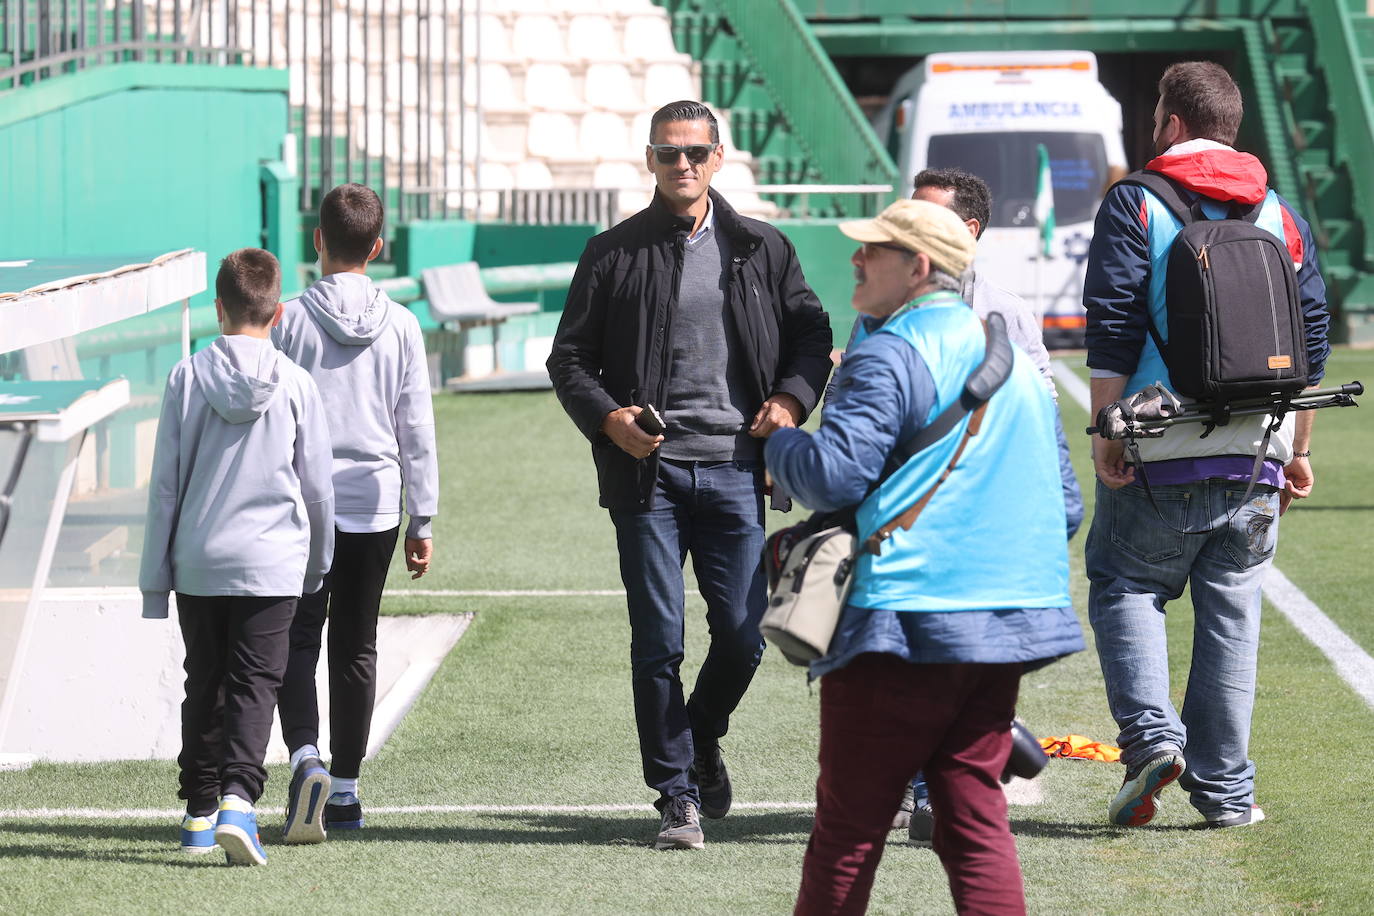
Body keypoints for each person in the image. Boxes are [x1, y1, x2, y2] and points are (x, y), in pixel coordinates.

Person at [768, 199, 1082, 914]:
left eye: (873, 249)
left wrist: (778, 441)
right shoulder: (1019, 367)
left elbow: (834, 476)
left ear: (917, 267)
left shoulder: (889, 351)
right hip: (1001, 623)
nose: (855, 259)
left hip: (902, 619)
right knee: (974, 823)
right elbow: (1065, 504)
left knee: (848, 827)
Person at [546, 100, 833, 850]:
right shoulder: (611, 252)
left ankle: (700, 737)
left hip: (739, 469)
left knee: (743, 638)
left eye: (696, 152)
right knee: (658, 639)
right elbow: (568, 359)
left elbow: (812, 333)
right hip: (650, 480)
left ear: (718, 156)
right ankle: (675, 794)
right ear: (649, 160)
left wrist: (790, 399)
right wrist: (610, 421)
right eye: (670, 153)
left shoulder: (762, 248)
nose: (683, 165)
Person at [1084, 61, 1330, 829]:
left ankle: (1154, 739)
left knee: (1127, 586)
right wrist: (1297, 449)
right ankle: (1225, 796)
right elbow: (1312, 337)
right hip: (1258, 446)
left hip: (1160, 442)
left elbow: (1114, 322)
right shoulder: (1278, 209)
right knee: (1232, 615)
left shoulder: (1136, 201)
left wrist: (1105, 431)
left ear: (1170, 126)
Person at [836, 168, 1083, 842]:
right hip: (903, 520)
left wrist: (1056, 511)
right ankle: (909, 785)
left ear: (967, 232)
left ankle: (931, 793)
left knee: (950, 667)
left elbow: (1042, 417)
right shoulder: (877, 313)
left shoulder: (1005, 310)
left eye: (928, 216)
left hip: (978, 524)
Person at [139, 248, 335, 866]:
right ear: (277, 313)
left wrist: (154, 580)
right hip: (274, 562)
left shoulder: (185, 377)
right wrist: (318, 562)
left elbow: (164, 486)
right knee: (256, 684)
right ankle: (237, 803)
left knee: (206, 682)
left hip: (198, 560)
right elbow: (318, 488)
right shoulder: (298, 384)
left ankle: (198, 814)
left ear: (217, 307)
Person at [273, 183, 439, 842]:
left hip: (300, 505)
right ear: (377, 247)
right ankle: (345, 791)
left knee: (294, 638)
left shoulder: (286, 320)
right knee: (357, 645)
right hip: (375, 505)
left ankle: (305, 755)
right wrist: (423, 517)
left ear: (317, 242)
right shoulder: (400, 324)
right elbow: (416, 427)